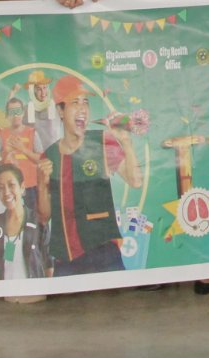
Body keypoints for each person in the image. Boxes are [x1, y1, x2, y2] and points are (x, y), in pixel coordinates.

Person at [38, 77, 145, 277]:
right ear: (60, 111)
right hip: (65, 259)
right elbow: (43, 217)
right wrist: (43, 185)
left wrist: (126, 142)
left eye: (85, 102)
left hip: (104, 254)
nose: (82, 109)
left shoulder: (102, 142)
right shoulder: (49, 156)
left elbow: (135, 181)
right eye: (74, 102)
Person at [0, 164, 49, 282]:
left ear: (22, 187)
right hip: (7, 294)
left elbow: (49, 261)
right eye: (1, 188)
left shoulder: (37, 220)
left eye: (11, 185)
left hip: (34, 294)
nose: (6, 192)